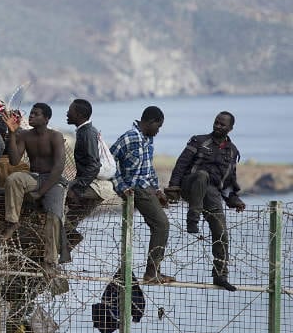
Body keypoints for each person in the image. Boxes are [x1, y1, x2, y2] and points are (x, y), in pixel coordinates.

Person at [165, 111, 246, 291]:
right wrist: (173, 189)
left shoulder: (232, 151)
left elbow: (229, 182)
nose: (218, 126)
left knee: (221, 232)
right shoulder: (199, 141)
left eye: (222, 124)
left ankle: (220, 275)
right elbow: (181, 165)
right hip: (191, 186)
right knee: (202, 175)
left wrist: (235, 200)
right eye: (216, 122)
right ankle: (193, 217)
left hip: (211, 195)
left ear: (230, 128)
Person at [110, 106, 174, 284]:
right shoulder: (130, 137)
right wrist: (121, 186)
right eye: (158, 126)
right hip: (136, 189)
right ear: (151, 122)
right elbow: (109, 160)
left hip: (147, 189)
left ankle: (154, 271)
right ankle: (152, 272)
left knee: (160, 225)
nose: (158, 131)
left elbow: (148, 168)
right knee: (161, 225)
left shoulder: (147, 139)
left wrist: (158, 190)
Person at [0, 103, 67, 268]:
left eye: (36, 114)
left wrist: (41, 192)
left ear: (46, 119)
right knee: (14, 178)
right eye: (31, 113)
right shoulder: (25, 135)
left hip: (54, 180)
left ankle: (50, 261)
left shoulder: (55, 136)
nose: (31, 116)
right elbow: (15, 161)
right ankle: (12, 221)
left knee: (54, 215)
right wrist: (12, 134)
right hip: (35, 177)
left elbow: (59, 168)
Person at [64, 99, 114, 248]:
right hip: (91, 183)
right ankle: (64, 248)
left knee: (56, 200)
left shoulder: (87, 134)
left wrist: (77, 190)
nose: (67, 113)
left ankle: (66, 245)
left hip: (96, 185)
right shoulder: (84, 131)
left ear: (79, 114)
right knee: (69, 221)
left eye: (70, 110)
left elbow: (93, 165)